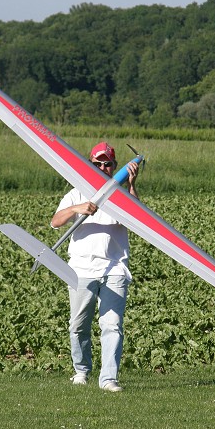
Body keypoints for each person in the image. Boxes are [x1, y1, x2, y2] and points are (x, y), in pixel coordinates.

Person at [50, 142, 139, 392]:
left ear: (114, 166)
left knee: (112, 325)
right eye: (97, 163)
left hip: (115, 269)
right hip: (81, 270)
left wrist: (131, 186)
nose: (102, 167)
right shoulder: (76, 193)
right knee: (78, 324)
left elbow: (137, 221)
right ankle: (81, 370)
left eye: (107, 164)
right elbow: (56, 222)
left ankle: (108, 379)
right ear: (90, 164)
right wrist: (78, 208)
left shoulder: (122, 196)